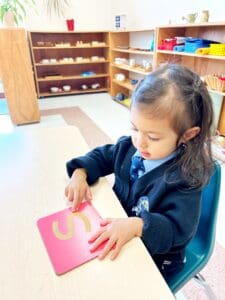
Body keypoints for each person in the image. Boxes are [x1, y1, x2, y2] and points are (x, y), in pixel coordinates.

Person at [65, 64, 214, 280]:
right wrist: (80, 173)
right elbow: (102, 156)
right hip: (120, 229)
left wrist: (139, 225)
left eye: (153, 137)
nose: (139, 142)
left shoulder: (185, 177)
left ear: (187, 135)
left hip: (157, 257)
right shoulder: (130, 147)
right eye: (135, 128)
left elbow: (178, 230)